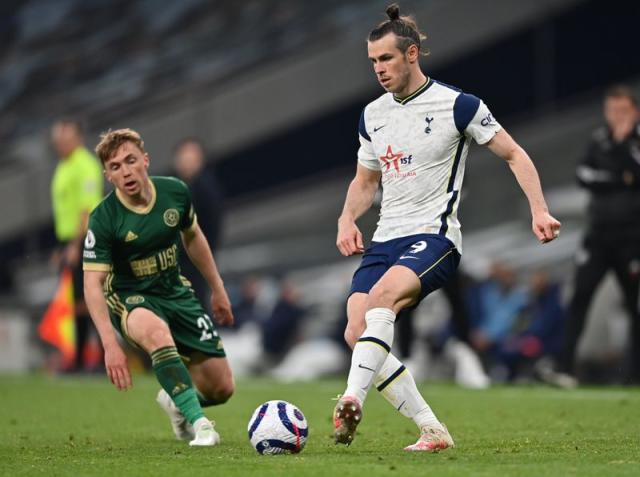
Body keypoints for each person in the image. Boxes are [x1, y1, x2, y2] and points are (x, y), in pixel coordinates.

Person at [333, 3, 561, 452]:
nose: (379, 69)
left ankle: (350, 399)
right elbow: (365, 180)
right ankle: (432, 430)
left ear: (412, 53)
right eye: (373, 61)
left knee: (381, 301)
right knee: (355, 330)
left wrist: (539, 209)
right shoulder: (372, 115)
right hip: (385, 238)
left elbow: (514, 153)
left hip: (434, 237)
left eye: (387, 59)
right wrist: (346, 218)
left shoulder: (459, 105)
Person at [83, 128, 235, 446]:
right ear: (108, 176)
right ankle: (201, 425)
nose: (125, 171)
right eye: (115, 167)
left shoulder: (175, 192)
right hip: (129, 296)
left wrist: (218, 288)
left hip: (174, 290)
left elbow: (193, 237)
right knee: (157, 335)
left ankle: (176, 399)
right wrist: (109, 345)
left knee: (222, 388)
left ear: (146, 160)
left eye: (130, 161)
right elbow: (92, 284)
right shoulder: (104, 218)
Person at [554, 85, 640, 387]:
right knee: (580, 297)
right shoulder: (597, 138)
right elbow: (583, 176)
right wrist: (621, 179)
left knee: (635, 305)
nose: (615, 116)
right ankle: (564, 368)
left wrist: (621, 148)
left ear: (634, 111)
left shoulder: (633, 140)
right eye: (611, 110)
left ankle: (632, 374)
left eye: (622, 111)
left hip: (632, 238)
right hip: (599, 236)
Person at [50, 119, 104, 371]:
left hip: (85, 238)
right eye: (58, 140)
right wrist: (61, 245)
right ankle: (83, 358)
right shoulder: (64, 165)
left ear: (78, 138)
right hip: (69, 239)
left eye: (65, 138)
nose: (60, 143)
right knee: (78, 301)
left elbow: (86, 208)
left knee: (89, 299)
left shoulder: (85, 165)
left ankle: (100, 358)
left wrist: (74, 244)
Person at [173, 138, 224, 315]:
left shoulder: (205, 188)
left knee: (196, 307)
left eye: (190, 157)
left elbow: (213, 225)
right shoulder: (177, 187)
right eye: (182, 157)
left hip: (196, 260)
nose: (185, 162)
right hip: (179, 261)